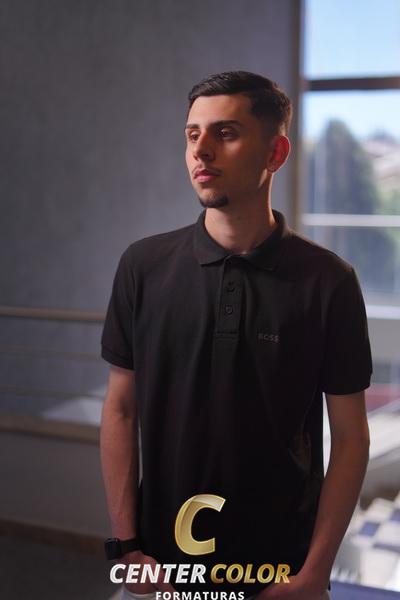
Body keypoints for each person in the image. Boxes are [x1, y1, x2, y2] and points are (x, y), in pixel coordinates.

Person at [100, 71, 372, 600]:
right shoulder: (143, 266)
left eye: (225, 133)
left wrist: (314, 573)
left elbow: (351, 437)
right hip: (166, 563)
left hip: (278, 570)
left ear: (276, 152)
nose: (200, 150)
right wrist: (126, 545)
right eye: (192, 134)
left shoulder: (329, 281)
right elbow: (120, 409)